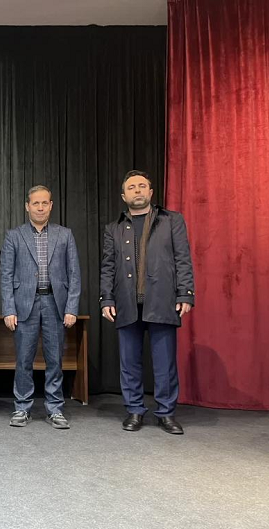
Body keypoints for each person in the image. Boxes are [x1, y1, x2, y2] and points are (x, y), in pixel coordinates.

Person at [100, 170, 195, 434]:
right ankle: (134, 410)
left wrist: (185, 293)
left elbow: (183, 258)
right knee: (129, 362)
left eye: (142, 186)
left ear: (151, 192)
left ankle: (166, 413)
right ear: (124, 196)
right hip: (126, 303)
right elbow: (108, 266)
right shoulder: (113, 228)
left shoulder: (172, 220)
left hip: (163, 301)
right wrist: (106, 298)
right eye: (132, 187)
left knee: (165, 363)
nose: (138, 191)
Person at [0, 185, 81, 429]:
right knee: (24, 360)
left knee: (55, 359)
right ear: (27, 206)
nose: (40, 207)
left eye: (45, 203)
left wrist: (71, 308)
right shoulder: (14, 235)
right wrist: (9, 309)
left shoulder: (64, 235)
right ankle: (22, 407)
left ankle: (55, 408)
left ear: (51, 205)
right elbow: (6, 275)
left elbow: (74, 274)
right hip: (24, 305)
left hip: (55, 304)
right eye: (35, 203)